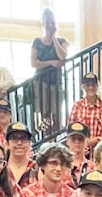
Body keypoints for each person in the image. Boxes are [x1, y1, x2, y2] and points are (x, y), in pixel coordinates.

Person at [30, 8, 69, 136]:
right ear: (43, 23)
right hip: (41, 83)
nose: (49, 25)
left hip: (56, 82)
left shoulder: (62, 41)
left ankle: (56, 138)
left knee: (57, 112)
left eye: (52, 22)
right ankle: (46, 138)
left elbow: (63, 56)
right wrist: (51, 62)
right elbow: (33, 63)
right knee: (44, 113)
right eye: (47, 22)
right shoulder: (37, 41)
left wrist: (54, 38)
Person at [69, 72, 102, 152]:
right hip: (80, 151)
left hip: (100, 151)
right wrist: (81, 143)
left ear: (97, 86)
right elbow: (70, 130)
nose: (91, 88)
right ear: (83, 87)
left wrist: (98, 140)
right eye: (87, 85)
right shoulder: (77, 106)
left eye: (93, 85)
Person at [5, 122, 36, 188]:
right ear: (7, 143)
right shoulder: (0, 168)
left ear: (30, 143)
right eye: (14, 139)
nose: (19, 143)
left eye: (24, 139)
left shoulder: (37, 168)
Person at [65, 121, 90, 185]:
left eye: (80, 139)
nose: (77, 142)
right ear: (67, 141)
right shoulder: (61, 166)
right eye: (73, 139)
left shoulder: (93, 167)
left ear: (86, 142)